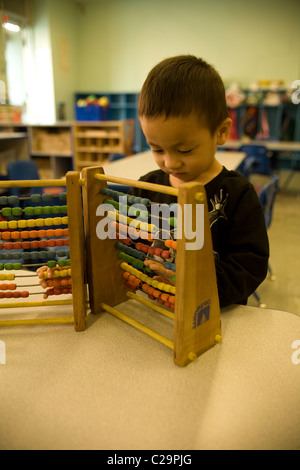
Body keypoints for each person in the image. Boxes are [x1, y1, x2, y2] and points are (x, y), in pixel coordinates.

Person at [129, 55, 269, 308]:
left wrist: (195, 287)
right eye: (157, 149)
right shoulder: (145, 189)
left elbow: (250, 266)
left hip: (216, 315)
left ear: (221, 132)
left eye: (184, 150)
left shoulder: (237, 194)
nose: (170, 163)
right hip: (153, 311)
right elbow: (124, 245)